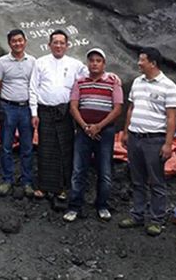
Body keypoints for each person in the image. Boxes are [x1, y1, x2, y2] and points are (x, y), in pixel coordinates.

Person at [118, 47, 176, 236]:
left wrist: (168, 144)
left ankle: (156, 219)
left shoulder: (168, 86)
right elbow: (131, 108)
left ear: (153, 63)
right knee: (137, 179)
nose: (138, 63)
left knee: (156, 180)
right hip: (135, 137)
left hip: (154, 140)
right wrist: (126, 132)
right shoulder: (137, 82)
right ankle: (137, 215)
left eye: (142, 60)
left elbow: (171, 118)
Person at [63, 48, 123, 223]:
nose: (94, 63)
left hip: (105, 132)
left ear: (104, 64)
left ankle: (102, 205)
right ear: (87, 63)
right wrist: (85, 126)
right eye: (91, 60)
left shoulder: (113, 83)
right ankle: (74, 206)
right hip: (83, 132)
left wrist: (98, 126)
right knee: (78, 169)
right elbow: (74, 106)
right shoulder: (80, 82)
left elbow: (117, 108)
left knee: (104, 170)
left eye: (98, 60)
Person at [30, 29, 87, 209]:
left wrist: (112, 76)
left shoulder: (76, 64)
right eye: (55, 42)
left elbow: (90, 77)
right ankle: (44, 186)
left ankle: (62, 187)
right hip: (44, 110)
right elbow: (33, 88)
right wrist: (34, 113)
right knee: (46, 149)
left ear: (67, 45)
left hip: (65, 111)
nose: (59, 46)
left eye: (62, 42)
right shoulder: (40, 62)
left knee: (65, 149)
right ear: (49, 45)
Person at [0, 29, 36, 198]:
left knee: (27, 147)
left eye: (20, 40)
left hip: (26, 108)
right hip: (7, 107)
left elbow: (35, 86)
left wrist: (35, 110)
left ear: (25, 41)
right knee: (6, 146)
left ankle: (27, 181)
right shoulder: (2, 62)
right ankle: (7, 179)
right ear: (9, 43)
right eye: (14, 41)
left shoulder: (33, 61)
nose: (17, 43)